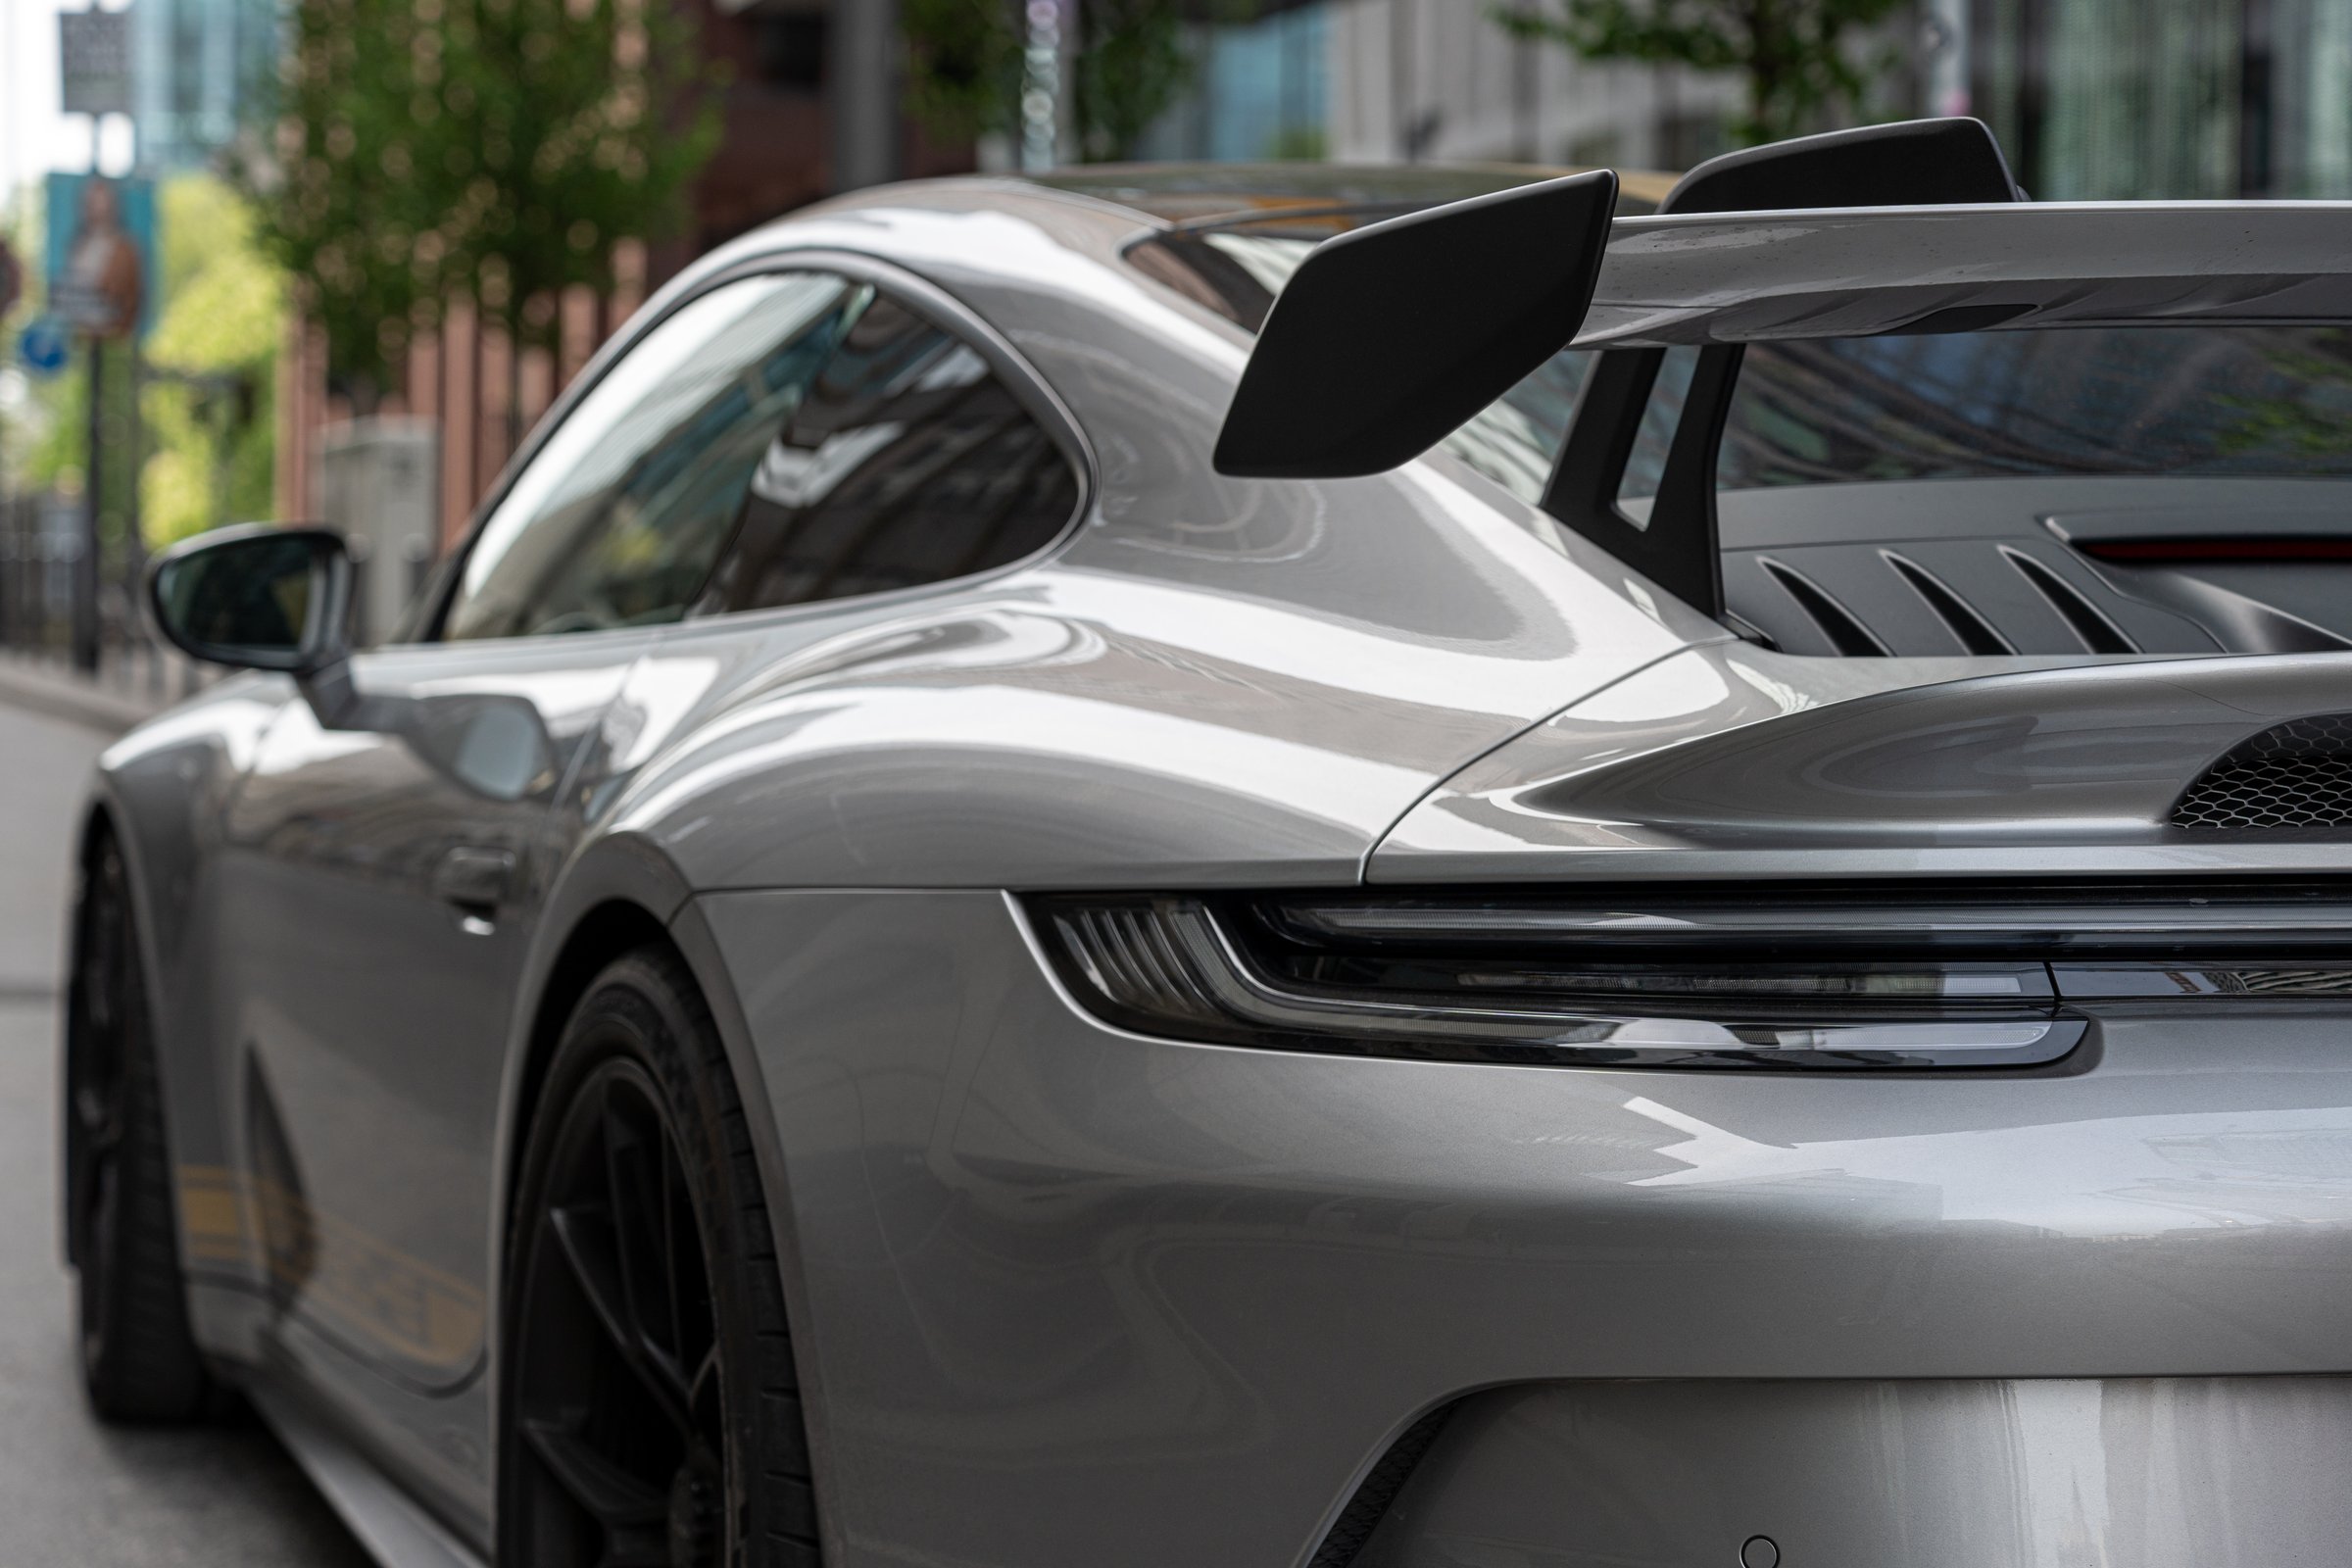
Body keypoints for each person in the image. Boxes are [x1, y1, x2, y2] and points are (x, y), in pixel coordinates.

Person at [60, 178, 142, 339]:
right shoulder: (77, 246)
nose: (97, 208)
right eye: (91, 202)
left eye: (102, 202)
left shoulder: (125, 249)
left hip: (110, 338)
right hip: (81, 336)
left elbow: (132, 301)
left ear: (113, 205)